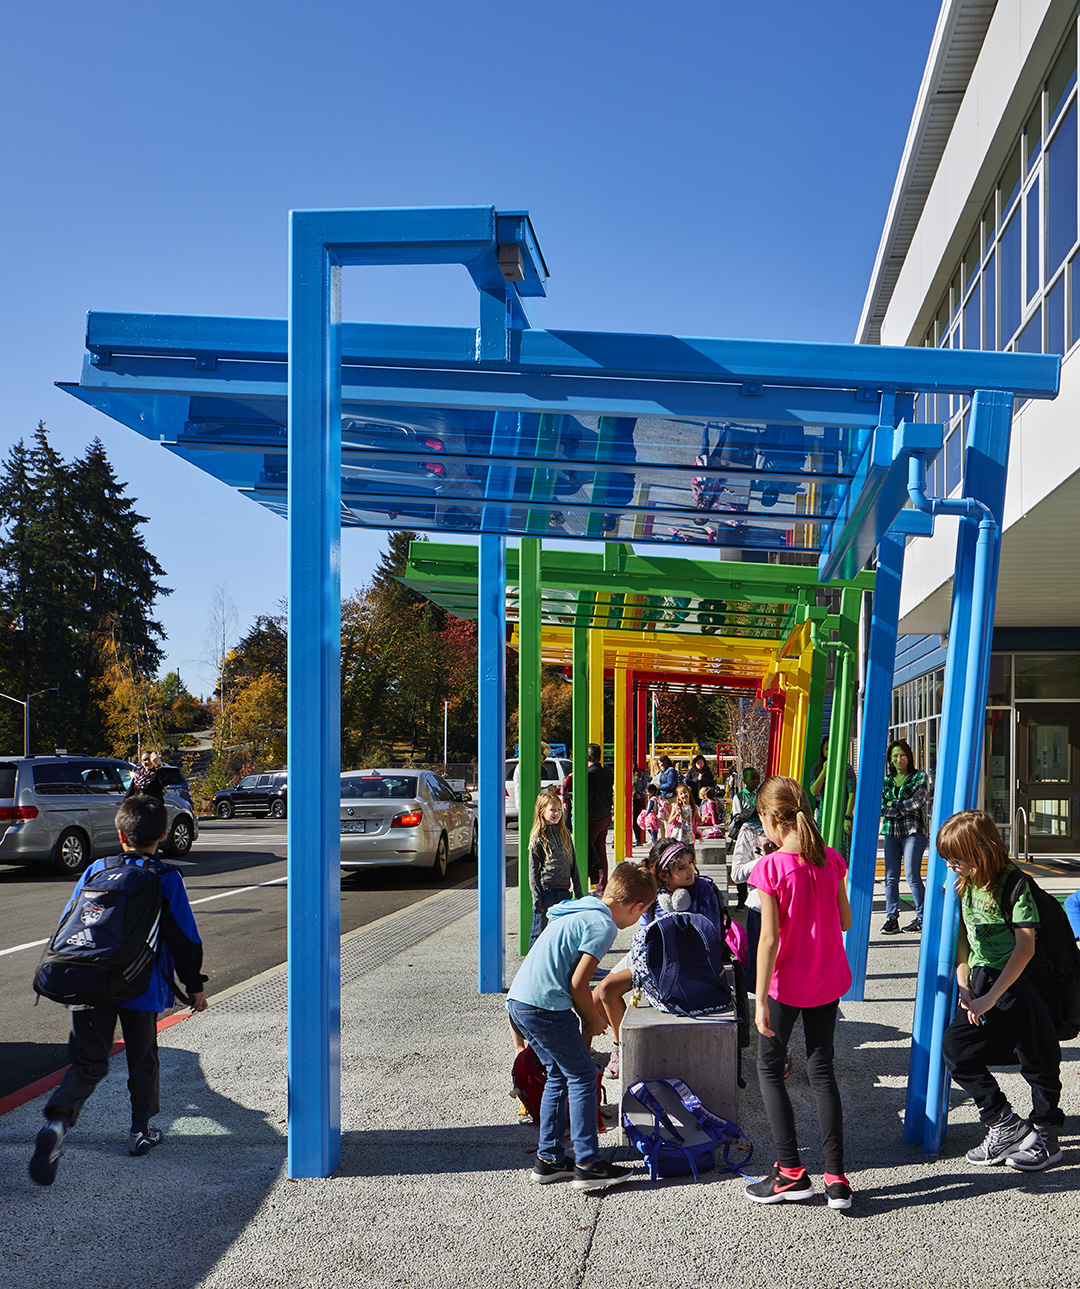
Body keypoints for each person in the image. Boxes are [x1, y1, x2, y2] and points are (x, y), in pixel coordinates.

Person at [29, 793, 208, 1186]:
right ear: (162, 834)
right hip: (139, 986)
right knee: (142, 1058)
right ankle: (140, 1131)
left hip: (88, 979)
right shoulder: (166, 877)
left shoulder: (95, 869)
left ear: (119, 831)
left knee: (88, 1062)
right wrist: (194, 986)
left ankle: (58, 1122)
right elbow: (185, 939)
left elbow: (70, 923)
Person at [506, 862, 657, 1190]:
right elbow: (578, 984)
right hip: (545, 1007)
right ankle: (588, 1163)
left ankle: (549, 1159)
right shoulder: (603, 925)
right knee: (583, 1074)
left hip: (521, 1003)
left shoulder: (581, 908)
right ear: (637, 907)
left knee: (560, 1074)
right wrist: (592, 1016)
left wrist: (588, 1015)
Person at [744, 775, 854, 1210]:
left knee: (770, 1069)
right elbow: (845, 921)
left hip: (785, 985)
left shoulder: (769, 868)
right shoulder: (831, 859)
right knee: (822, 1071)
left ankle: (790, 1172)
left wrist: (757, 1000)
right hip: (827, 980)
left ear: (772, 819)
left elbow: (767, 940)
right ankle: (836, 1179)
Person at [939, 809, 1064, 1171]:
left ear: (979, 851)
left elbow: (1025, 947)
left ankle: (1047, 1137)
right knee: (957, 1047)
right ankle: (1003, 1122)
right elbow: (964, 938)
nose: (950, 865)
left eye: (955, 858)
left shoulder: (1014, 885)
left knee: (1037, 1058)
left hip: (1021, 982)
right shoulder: (965, 884)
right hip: (981, 982)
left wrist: (992, 997)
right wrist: (963, 980)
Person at [593, 839, 723, 1079]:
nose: (690, 870)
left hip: (686, 962)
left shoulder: (703, 890)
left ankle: (623, 1048)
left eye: (690, 863)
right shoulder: (654, 894)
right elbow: (643, 934)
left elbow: (712, 935)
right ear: (664, 875)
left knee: (608, 989)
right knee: (596, 996)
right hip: (652, 957)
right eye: (681, 867)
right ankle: (621, 1042)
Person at [879, 739, 928, 935]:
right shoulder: (886, 780)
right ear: (890, 760)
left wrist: (895, 804)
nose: (899, 759)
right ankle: (892, 919)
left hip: (912, 832)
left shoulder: (919, 776)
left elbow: (920, 801)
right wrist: (902, 805)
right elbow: (881, 806)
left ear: (909, 757)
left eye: (902, 755)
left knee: (912, 875)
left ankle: (922, 917)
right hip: (891, 832)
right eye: (895, 756)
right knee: (890, 877)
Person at [528, 789, 582, 950]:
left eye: (559, 810)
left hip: (565, 890)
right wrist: (536, 897)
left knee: (566, 931)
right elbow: (533, 870)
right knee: (539, 930)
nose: (557, 813)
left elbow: (574, 867)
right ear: (542, 811)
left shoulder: (565, 834)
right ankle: (532, 966)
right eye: (552, 810)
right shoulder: (538, 837)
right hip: (546, 891)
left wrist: (579, 894)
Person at [809, 736, 856, 860]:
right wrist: (824, 771)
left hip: (842, 816)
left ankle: (843, 879)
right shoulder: (817, 769)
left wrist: (848, 817)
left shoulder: (847, 768)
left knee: (843, 854)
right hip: (824, 816)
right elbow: (814, 791)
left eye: (832, 749)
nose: (829, 752)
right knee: (824, 851)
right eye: (826, 749)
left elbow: (852, 794)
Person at [728, 766, 762, 907]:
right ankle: (741, 898)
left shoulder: (761, 795)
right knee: (742, 864)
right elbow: (737, 815)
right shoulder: (740, 797)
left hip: (760, 833)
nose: (756, 781)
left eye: (757, 777)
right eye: (752, 778)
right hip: (746, 833)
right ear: (745, 780)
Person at [586, 743, 613, 892]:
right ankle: (602, 886)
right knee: (601, 852)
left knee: (587, 852)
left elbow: (589, 798)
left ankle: (588, 883)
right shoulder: (606, 772)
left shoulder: (589, 774)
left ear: (588, 757)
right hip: (605, 816)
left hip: (594, 819)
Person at [632, 765, 649, 843]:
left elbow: (645, 787)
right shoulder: (622, 772)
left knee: (636, 818)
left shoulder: (639, 774)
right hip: (624, 799)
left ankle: (637, 838)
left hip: (635, 798)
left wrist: (641, 795)